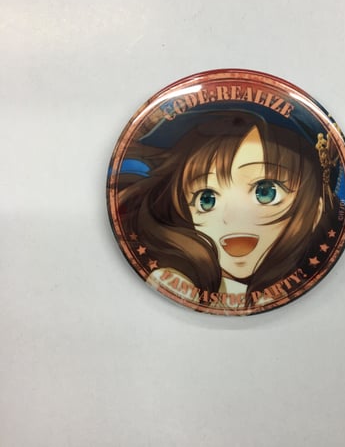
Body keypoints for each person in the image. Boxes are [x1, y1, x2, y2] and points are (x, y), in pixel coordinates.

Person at [118, 108, 327, 308]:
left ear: (315, 211)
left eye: (265, 192)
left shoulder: (304, 289)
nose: (231, 217)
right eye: (207, 199)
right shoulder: (181, 282)